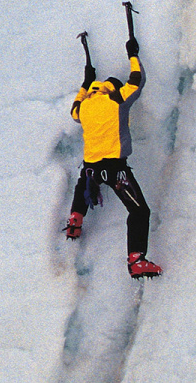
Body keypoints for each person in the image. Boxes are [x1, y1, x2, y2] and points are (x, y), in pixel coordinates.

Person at [65, 25, 161, 278]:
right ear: (112, 88)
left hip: (91, 170)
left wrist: (85, 83)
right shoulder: (116, 99)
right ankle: (136, 260)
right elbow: (137, 81)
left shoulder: (84, 107)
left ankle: (75, 219)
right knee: (139, 211)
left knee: (83, 182)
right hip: (115, 170)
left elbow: (74, 111)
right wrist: (132, 54)